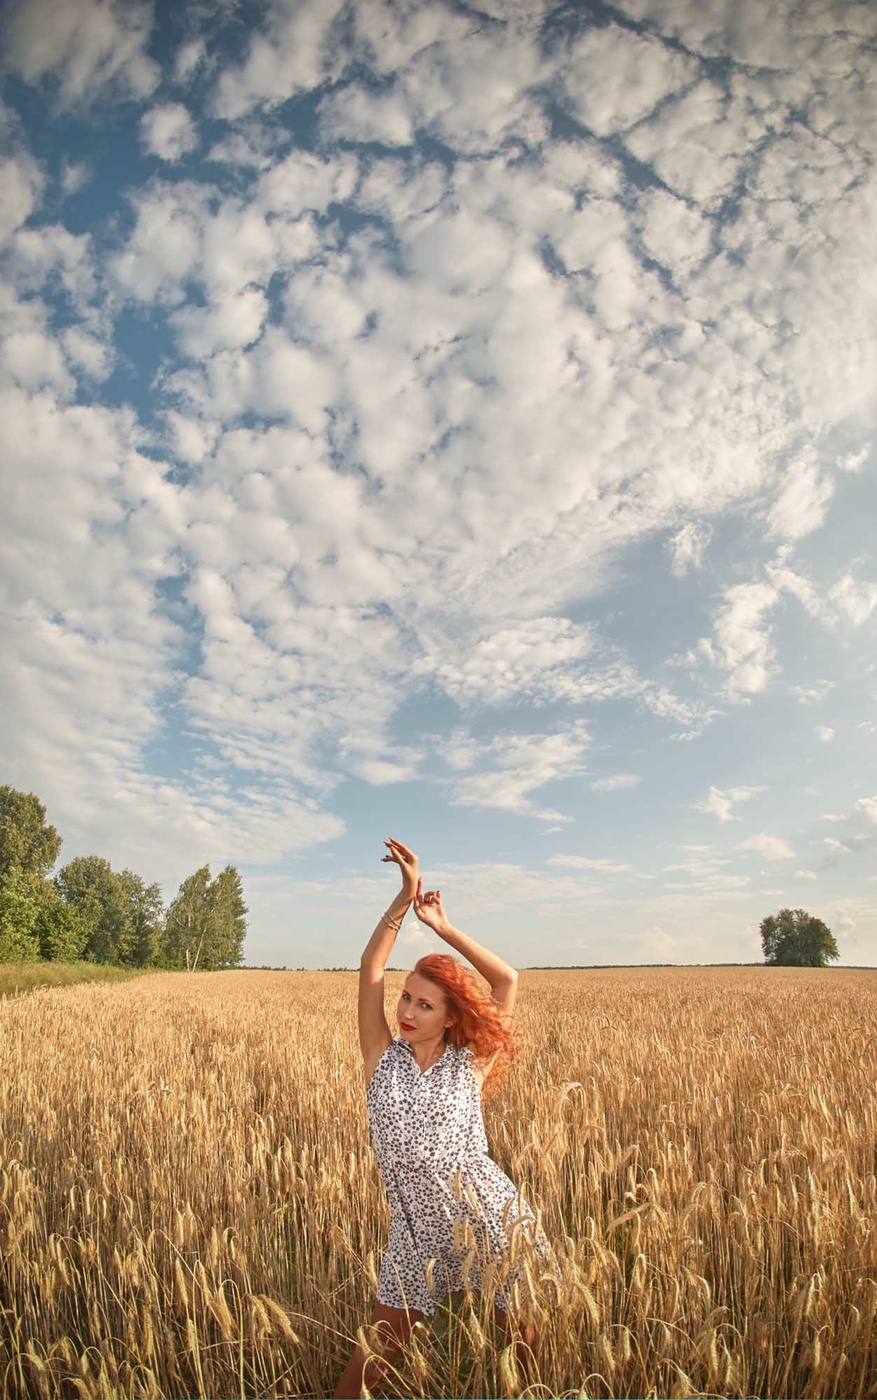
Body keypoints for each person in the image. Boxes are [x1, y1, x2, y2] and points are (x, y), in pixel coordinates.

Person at [333, 838, 552, 1399]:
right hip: (414, 1230)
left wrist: (443, 928)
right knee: (369, 1366)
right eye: (406, 998)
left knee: (522, 1351)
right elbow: (370, 966)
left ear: (451, 1015)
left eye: (424, 1005)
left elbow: (507, 982)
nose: (406, 1011)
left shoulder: (470, 1064)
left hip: (489, 1218)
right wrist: (404, 898)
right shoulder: (382, 1055)